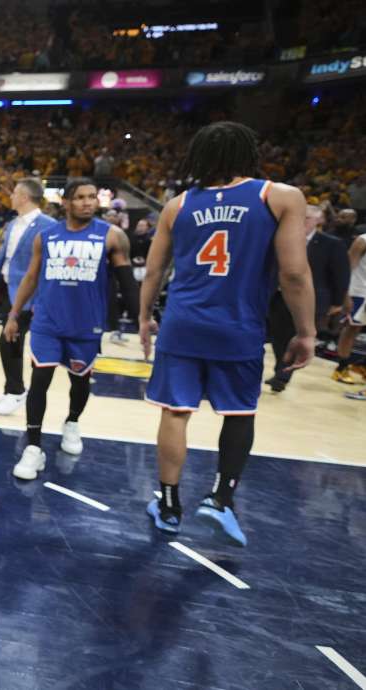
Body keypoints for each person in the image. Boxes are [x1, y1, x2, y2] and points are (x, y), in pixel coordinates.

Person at [139, 121, 315, 547]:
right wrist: (306, 330)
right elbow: (293, 273)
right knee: (238, 413)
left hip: (183, 322)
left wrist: (144, 317)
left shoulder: (177, 206)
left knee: (175, 412)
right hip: (238, 324)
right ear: (248, 153)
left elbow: (156, 271)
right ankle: (219, 499)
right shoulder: (279, 196)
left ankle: (167, 505)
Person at [4, 178, 138, 479]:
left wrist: (144, 317)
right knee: (39, 382)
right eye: (80, 197)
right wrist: (14, 314)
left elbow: (128, 282)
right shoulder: (46, 236)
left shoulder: (112, 236)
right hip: (47, 323)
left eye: (92, 197)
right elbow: (30, 278)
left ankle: (72, 422)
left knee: (80, 383)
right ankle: (33, 447)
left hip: (86, 326)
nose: (88, 202)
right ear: (66, 202)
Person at [0, 178, 59, 415]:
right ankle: (11, 390)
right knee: (10, 342)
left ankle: (17, 391)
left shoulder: (48, 225)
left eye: (15, 193)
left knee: (9, 341)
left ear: (25, 197)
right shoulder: (12, 224)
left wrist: (42, 300)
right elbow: (1, 260)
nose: (11, 196)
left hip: (30, 295)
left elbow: (50, 267)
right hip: (7, 290)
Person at [265, 204, 348, 391]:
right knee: (278, 337)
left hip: (312, 300)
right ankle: (282, 368)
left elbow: (340, 275)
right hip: (278, 295)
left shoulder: (332, 244)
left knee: (297, 335)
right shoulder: (282, 238)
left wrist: (337, 302)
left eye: (308, 218)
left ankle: (282, 376)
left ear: (319, 221)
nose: (302, 222)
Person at [333, 233, 366, 385]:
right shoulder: (362, 240)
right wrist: (344, 294)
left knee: (357, 330)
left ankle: (359, 364)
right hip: (358, 291)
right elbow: (346, 269)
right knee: (351, 329)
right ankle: (341, 368)